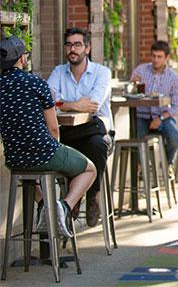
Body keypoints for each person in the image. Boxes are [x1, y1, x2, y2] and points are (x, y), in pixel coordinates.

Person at [1, 35, 96, 238]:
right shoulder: (36, 83)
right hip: (44, 152)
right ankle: (63, 207)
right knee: (90, 169)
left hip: (14, 159)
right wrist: (55, 151)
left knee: (30, 174)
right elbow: (53, 128)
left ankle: (45, 205)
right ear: (22, 59)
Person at [48, 27, 112, 227]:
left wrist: (62, 103)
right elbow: (49, 99)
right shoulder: (58, 72)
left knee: (97, 142)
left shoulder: (102, 72)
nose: (72, 49)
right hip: (68, 132)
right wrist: (72, 105)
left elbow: (93, 105)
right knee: (67, 143)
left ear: (87, 47)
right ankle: (73, 199)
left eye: (77, 44)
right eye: (68, 44)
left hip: (93, 131)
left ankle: (91, 196)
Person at [130, 40, 178, 167]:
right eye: (153, 56)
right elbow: (131, 93)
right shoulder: (141, 70)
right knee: (137, 142)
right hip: (141, 115)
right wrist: (132, 85)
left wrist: (161, 118)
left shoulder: (174, 78)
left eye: (159, 57)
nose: (155, 60)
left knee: (174, 138)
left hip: (162, 116)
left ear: (167, 58)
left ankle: (166, 165)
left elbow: (176, 106)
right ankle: (143, 169)